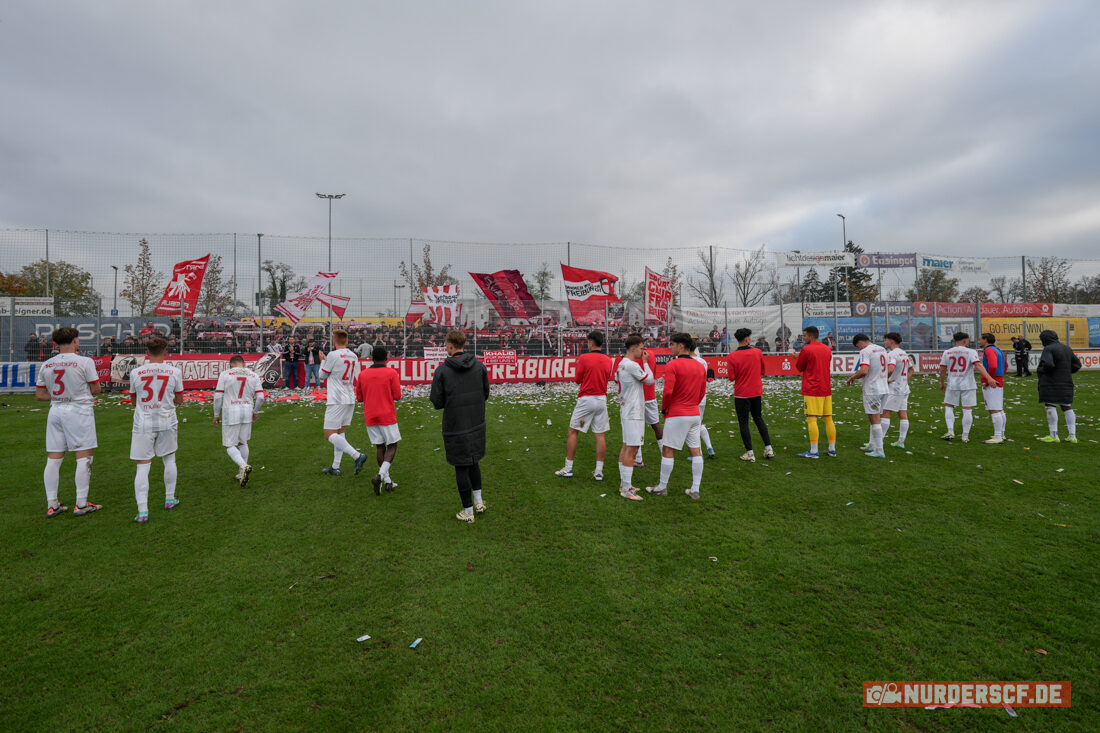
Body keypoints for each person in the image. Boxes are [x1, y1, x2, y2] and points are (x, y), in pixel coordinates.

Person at [34, 327, 102, 517]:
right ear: (75, 341)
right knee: (84, 455)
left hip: (56, 410)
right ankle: (81, 504)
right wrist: (73, 396)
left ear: (55, 343)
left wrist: (60, 396)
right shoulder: (84, 361)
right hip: (78, 410)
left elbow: (40, 395)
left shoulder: (47, 364)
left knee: (54, 458)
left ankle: (53, 505)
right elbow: (96, 389)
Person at [430, 329, 490, 522]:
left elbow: (437, 402)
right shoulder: (479, 367)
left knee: (461, 466)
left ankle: (468, 511)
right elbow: (485, 393)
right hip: (476, 422)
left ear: (450, 345)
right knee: (473, 461)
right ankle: (478, 502)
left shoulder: (442, 371)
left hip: (456, 425)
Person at [128, 337, 184, 523]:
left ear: (147, 353)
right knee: (169, 459)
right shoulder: (174, 371)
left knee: (143, 466)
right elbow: (179, 399)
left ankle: (143, 510)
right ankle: (169, 498)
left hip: (143, 421)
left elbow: (134, 400)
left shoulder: (136, 372)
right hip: (166, 419)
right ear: (165, 351)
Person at [646, 333, 707, 500]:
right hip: (694, 413)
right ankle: (695, 489)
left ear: (681, 346)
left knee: (667, 449)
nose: (670, 347)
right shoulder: (700, 366)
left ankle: (662, 487)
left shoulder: (673, 365)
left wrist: (665, 408)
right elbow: (702, 393)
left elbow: (668, 391)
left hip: (677, 413)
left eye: (672, 344)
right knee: (695, 451)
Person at [555, 331, 613, 481]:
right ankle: (599, 471)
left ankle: (568, 468)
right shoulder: (608, 360)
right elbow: (607, 378)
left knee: (573, 431)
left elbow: (577, 379)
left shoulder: (584, 358)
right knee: (600, 435)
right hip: (601, 400)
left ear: (592, 342)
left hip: (587, 400)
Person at [354, 345, 402, 495]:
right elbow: (398, 396)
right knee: (392, 445)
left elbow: (359, 398)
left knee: (380, 447)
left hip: (370, 415)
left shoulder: (363, 375)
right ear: (386, 358)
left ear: (372, 358)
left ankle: (387, 482)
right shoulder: (391, 372)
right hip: (386, 414)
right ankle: (380, 476)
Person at [319, 330, 368, 476]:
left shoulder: (333, 355)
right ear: (346, 341)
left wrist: (322, 360)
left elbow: (322, 375)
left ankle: (357, 456)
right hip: (348, 395)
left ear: (334, 341)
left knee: (329, 434)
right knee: (340, 432)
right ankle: (335, 466)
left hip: (336, 398)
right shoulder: (353, 355)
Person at [213, 355, 266, 486]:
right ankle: (241, 472)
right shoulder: (253, 375)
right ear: (244, 363)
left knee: (229, 444)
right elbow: (260, 398)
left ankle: (244, 466)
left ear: (231, 364)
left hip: (230, 410)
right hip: (247, 410)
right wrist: (255, 411)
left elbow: (218, 396)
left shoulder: (225, 374)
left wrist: (215, 414)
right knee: (243, 442)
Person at [615, 334, 654, 501]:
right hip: (633, 410)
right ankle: (626, 488)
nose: (642, 351)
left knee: (627, 447)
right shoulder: (631, 365)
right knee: (631, 448)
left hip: (627, 408)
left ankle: (625, 484)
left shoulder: (622, 364)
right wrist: (645, 363)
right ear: (633, 348)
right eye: (640, 347)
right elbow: (650, 380)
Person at [726, 328, 773, 462]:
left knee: (743, 422)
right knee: (758, 418)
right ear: (747, 339)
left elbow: (731, 377)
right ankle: (768, 449)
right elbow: (763, 371)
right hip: (756, 392)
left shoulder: (732, 356)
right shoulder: (757, 352)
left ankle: (750, 453)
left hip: (741, 394)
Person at [938, 332, 993, 442]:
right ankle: (965, 436)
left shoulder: (947, 352)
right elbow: (978, 365)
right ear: (964, 341)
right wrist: (989, 378)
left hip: (953, 384)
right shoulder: (971, 352)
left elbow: (943, 369)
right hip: (968, 384)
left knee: (949, 406)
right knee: (967, 410)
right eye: (968, 340)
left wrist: (942, 383)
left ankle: (950, 431)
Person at [794, 326, 835, 458]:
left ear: (811, 336)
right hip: (825, 387)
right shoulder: (827, 349)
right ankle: (832, 449)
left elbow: (800, 367)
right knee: (828, 418)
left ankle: (813, 451)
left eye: (805, 335)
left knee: (812, 419)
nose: (803, 338)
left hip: (812, 388)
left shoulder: (806, 349)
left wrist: (797, 357)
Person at [846, 334, 889, 458]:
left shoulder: (865, 351)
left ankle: (879, 451)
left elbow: (864, 370)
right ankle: (872, 444)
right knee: (875, 418)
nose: (859, 349)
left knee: (874, 419)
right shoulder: (882, 349)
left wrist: (852, 377)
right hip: (884, 388)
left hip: (872, 389)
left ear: (860, 343)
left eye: (858, 346)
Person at [1036, 329, 1082, 443]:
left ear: (1045, 339)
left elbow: (1049, 364)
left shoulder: (1048, 348)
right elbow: (1077, 364)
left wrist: (1041, 369)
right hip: (1066, 381)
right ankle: (1072, 436)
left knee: (1050, 405)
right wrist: (1066, 371)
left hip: (1051, 382)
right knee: (1066, 406)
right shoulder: (1066, 348)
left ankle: (1054, 435)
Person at [881, 332, 912, 449]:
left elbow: (891, 368)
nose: (885, 342)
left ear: (891, 341)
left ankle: (878, 442)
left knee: (885, 413)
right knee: (903, 414)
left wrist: (885, 379)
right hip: (904, 388)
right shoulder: (904, 354)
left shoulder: (892, 354)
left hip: (894, 389)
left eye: (886, 340)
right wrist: (903, 380)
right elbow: (911, 370)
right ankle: (901, 442)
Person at [687, 338, 716, 458]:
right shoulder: (703, 362)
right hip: (701, 396)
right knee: (699, 423)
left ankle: (698, 454)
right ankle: (709, 448)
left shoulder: (684, 361)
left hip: (689, 397)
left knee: (692, 426)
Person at [635, 343, 663, 467]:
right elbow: (654, 374)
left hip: (638, 397)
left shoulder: (633, 358)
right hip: (650, 395)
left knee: (636, 427)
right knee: (656, 426)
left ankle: (639, 459)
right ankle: (665, 456)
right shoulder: (651, 354)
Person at [977, 333, 1008, 444]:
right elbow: (1006, 365)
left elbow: (993, 366)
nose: (978, 341)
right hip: (998, 380)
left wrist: (989, 379)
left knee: (994, 409)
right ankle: (1001, 434)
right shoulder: (998, 349)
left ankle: (998, 437)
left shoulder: (989, 350)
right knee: (999, 409)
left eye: (980, 339)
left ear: (985, 340)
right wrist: (999, 377)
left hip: (993, 382)